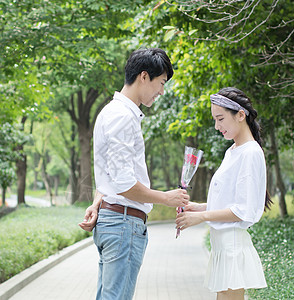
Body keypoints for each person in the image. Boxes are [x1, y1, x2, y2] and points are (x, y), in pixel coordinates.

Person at [78, 48, 190, 300]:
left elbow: (109, 177)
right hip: (123, 224)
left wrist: (98, 202)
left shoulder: (111, 112)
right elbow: (125, 183)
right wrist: (166, 198)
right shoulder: (122, 117)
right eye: (161, 83)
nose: (161, 91)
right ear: (143, 76)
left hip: (115, 220)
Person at [175, 87, 272, 300]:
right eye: (214, 120)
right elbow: (228, 201)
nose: (217, 126)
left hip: (232, 246)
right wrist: (197, 207)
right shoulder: (232, 151)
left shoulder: (250, 152)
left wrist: (200, 217)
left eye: (220, 119)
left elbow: (241, 210)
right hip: (222, 245)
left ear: (240, 115)